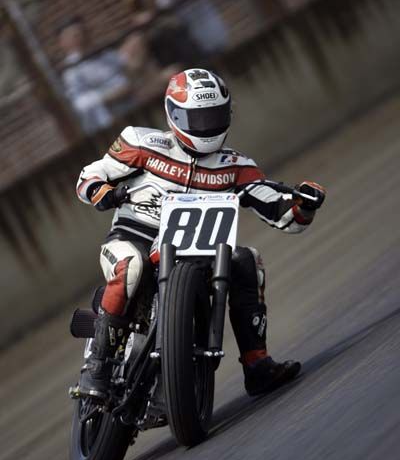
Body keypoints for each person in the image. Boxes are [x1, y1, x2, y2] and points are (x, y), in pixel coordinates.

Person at [76, 67, 326, 401]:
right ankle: (98, 367)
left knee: (246, 259)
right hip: (132, 237)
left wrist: (304, 204)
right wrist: (102, 192)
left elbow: (283, 213)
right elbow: (90, 175)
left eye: (213, 117)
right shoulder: (140, 141)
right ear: (173, 114)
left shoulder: (235, 165)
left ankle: (257, 365)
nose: (206, 127)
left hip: (202, 249)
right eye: (197, 118)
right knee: (131, 266)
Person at [57, 17, 136, 133]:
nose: (81, 37)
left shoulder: (104, 53)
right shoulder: (71, 71)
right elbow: (80, 104)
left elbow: (126, 65)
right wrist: (109, 96)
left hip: (132, 109)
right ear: (64, 43)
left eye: (82, 32)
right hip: (107, 125)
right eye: (75, 35)